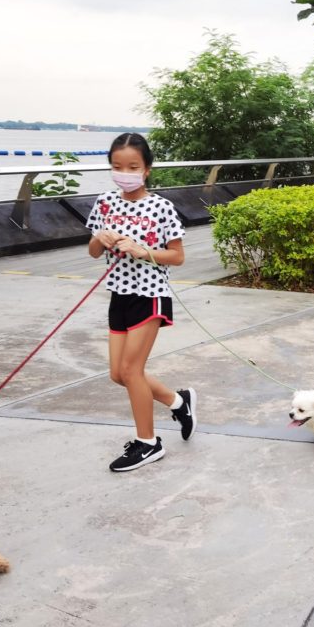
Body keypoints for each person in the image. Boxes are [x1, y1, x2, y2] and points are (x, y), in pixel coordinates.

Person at [85, 133, 196, 471]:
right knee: (118, 374)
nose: (125, 172)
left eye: (133, 166)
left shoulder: (161, 206)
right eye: (117, 166)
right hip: (119, 293)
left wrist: (141, 250)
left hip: (151, 295)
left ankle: (148, 443)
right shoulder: (105, 202)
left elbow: (177, 257)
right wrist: (100, 239)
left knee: (133, 370)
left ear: (147, 169)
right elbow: (92, 252)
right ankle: (178, 402)